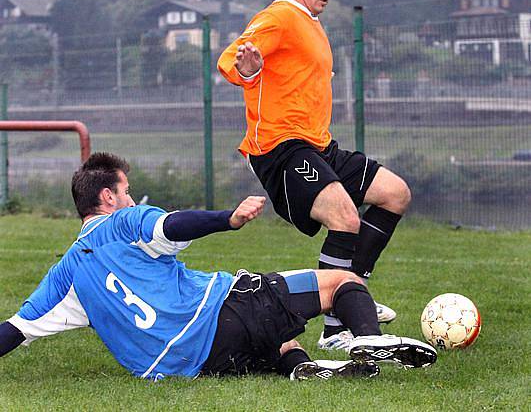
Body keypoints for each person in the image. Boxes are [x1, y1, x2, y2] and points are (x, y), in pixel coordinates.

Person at [0, 152, 436, 381]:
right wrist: (226, 219)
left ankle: (302, 367)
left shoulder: (63, 276)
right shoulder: (124, 221)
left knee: (279, 338)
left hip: (187, 366)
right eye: (127, 191)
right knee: (342, 283)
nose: (132, 198)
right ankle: (369, 340)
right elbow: (173, 224)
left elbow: (14, 331)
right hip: (218, 317)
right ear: (109, 198)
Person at [217, 0, 411, 351]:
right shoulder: (280, 16)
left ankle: (350, 292)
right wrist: (247, 70)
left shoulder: (311, 23)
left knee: (395, 194)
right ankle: (337, 332)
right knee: (345, 217)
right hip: (281, 148)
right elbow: (232, 59)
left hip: (319, 146)